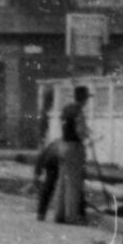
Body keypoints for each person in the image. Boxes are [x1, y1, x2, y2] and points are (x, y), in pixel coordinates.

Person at [43, 86, 91, 224]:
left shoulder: (66, 109)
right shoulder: (79, 112)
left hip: (63, 146)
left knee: (62, 183)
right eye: (87, 98)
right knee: (74, 183)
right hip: (74, 148)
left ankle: (59, 214)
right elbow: (80, 131)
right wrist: (87, 134)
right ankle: (72, 216)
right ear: (84, 98)